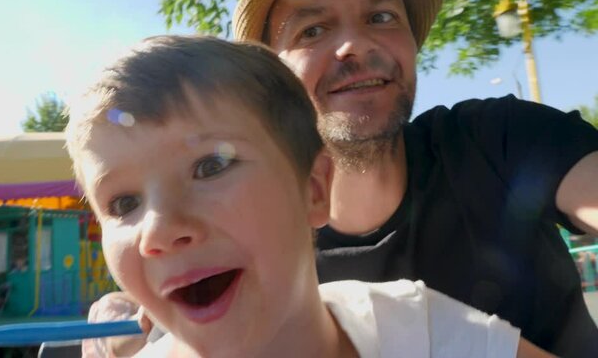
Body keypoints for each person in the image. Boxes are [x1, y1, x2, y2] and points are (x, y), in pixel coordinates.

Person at [67, 35, 554, 357]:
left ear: (315, 188)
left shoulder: (419, 330)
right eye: (123, 204)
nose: (158, 229)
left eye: (210, 166)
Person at [230, 0, 598, 357]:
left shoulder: (498, 137)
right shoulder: (262, 264)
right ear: (273, 80)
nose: (355, 44)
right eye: (312, 30)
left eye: (381, 16)